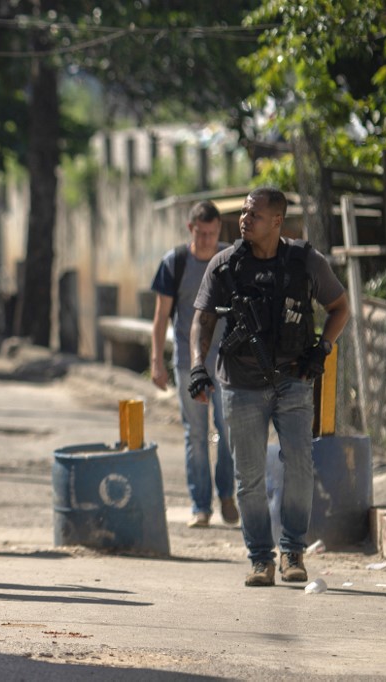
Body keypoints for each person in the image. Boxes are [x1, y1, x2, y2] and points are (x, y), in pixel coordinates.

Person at [189, 187, 349, 588]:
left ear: (277, 221)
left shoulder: (305, 262)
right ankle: (261, 559)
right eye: (243, 212)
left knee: (298, 466)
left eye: (254, 215)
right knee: (249, 476)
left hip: (294, 380)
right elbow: (203, 319)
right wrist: (197, 366)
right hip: (239, 386)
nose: (244, 219)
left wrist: (323, 349)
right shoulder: (225, 264)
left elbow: (340, 307)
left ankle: (292, 550)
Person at [150, 200, 237, 528]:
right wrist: (157, 360)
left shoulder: (230, 259)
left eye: (212, 234)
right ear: (191, 229)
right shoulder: (175, 262)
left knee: (229, 431)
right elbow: (161, 316)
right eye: (201, 234)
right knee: (196, 434)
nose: (206, 240)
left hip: (227, 363)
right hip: (189, 362)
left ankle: (226, 494)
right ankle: (201, 504)